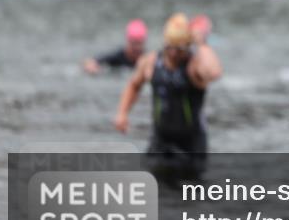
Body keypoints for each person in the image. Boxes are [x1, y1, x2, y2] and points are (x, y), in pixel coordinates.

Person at [114, 13, 222, 181]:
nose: (173, 53)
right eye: (170, 47)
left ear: (187, 46)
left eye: (179, 49)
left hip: (191, 146)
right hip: (160, 141)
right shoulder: (151, 62)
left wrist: (200, 44)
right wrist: (122, 114)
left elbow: (214, 72)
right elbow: (134, 85)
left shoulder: (194, 65)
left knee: (189, 199)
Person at [83, 19, 148, 74]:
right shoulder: (118, 56)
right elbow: (90, 62)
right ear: (128, 42)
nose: (136, 47)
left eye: (139, 43)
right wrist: (91, 67)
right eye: (133, 43)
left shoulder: (147, 59)